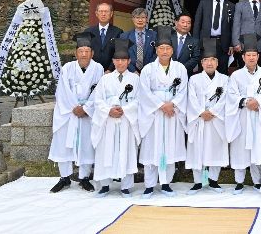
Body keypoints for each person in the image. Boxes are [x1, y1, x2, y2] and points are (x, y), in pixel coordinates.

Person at [48, 32, 104, 193]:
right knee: (63, 143)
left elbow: (99, 91)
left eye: (87, 51)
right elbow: (62, 91)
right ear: (76, 53)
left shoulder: (98, 68)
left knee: (87, 144)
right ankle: (64, 178)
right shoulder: (67, 68)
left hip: (88, 113)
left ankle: (84, 177)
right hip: (69, 112)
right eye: (81, 51)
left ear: (92, 53)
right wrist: (75, 108)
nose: (84, 54)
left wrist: (86, 108)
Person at [138, 26, 189, 199]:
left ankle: (166, 183)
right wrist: (161, 105)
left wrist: (172, 104)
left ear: (172, 50)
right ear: (156, 50)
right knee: (152, 148)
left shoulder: (180, 68)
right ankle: (149, 185)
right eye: (161, 48)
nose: (165, 51)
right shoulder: (148, 69)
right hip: (154, 114)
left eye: (167, 48)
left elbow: (183, 91)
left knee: (170, 147)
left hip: (172, 113)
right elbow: (144, 92)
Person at [225, 35, 261, 194]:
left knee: (257, 147)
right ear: (243, 57)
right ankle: (239, 182)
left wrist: (257, 102)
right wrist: (246, 102)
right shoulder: (236, 75)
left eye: (254, 55)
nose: (251, 58)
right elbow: (232, 95)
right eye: (248, 55)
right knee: (240, 148)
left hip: (258, 116)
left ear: (258, 56)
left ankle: (257, 181)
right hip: (242, 116)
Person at [91, 38, 140, 198]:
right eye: (117, 60)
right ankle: (105, 185)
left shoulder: (135, 79)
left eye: (123, 60)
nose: (120, 63)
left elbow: (139, 100)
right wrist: (108, 111)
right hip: (108, 121)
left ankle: (126, 186)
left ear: (129, 61)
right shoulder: (105, 79)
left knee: (126, 150)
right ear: (113, 61)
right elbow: (98, 100)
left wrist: (125, 109)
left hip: (126, 120)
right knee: (106, 151)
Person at [185, 38, 230, 195]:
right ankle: (198, 182)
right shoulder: (194, 79)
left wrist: (213, 112)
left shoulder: (225, 79)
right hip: (199, 119)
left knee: (215, 149)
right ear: (201, 63)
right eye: (206, 60)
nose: (209, 63)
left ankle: (213, 180)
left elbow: (225, 99)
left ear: (217, 63)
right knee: (198, 149)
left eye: (212, 60)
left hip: (216, 120)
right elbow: (191, 98)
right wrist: (201, 112)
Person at [192, 0, 235, 75]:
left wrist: (232, 44)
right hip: (206, 41)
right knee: (205, 70)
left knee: (222, 70)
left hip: (223, 42)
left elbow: (233, 26)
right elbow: (197, 24)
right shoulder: (204, 3)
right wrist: (196, 42)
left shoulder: (231, 5)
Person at [232, 0, 261, 68]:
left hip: (260, 43)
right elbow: (236, 24)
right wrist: (236, 43)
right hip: (244, 43)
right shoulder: (239, 5)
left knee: (259, 69)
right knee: (243, 70)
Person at [84, 3, 123, 72]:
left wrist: (110, 69)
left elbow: (119, 52)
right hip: (91, 70)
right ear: (96, 13)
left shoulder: (118, 32)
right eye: (101, 11)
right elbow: (85, 51)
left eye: (106, 11)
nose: (103, 14)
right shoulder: (88, 32)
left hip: (111, 72)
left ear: (111, 14)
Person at [121, 8, 156, 74]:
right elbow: (123, 55)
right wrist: (133, 71)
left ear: (147, 19)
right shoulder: (124, 36)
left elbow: (156, 54)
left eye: (143, 17)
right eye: (137, 17)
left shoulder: (154, 35)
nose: (140, 20)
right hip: (130, 72)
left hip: (150, 72)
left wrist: (147, 69)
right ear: (133, 19)